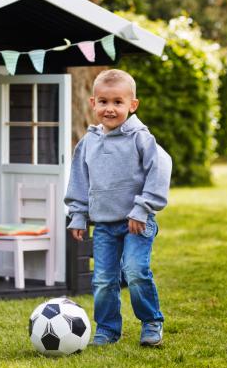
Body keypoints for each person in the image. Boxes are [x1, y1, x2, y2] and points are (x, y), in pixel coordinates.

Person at [65, 69, 172, 347]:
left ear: (132, 105)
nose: (109, 109)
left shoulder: (141, 138)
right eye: (103, 102)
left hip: (137, 222)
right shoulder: (88, 142)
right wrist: (78, 215)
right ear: (93, 103)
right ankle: (108, 328)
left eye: (117, 102)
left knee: (136, 271)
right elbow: (79, 180)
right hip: (103, 225)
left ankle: (151, 322)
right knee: (103, 279)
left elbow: (160, 171)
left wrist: (142, 209)